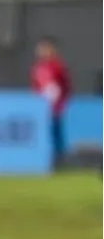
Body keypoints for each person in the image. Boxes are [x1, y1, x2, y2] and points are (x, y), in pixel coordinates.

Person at [30, 36, 71, 169]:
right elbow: (36, 86)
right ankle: (45, 158)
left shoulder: (57, 66)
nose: (41, 52)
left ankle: (60, 159)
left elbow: (65, 85)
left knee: (56, 131)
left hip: (55, 106)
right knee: (44, 132)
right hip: (41, 106)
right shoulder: (37, 68)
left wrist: (62, 101)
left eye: (45, 49)